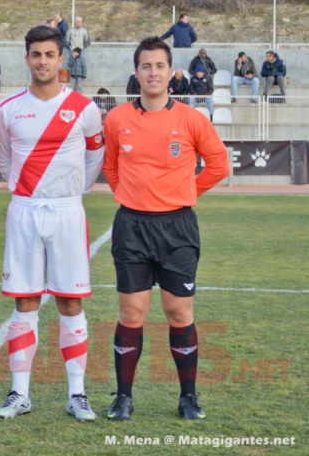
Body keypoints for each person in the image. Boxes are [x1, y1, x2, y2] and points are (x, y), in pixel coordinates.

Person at [103, 36, 229, 422]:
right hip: (133, 226)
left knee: (179, 312)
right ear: (136, 72)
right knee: (131, 313)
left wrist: (186, 192)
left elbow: (219, 165)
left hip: (178, 226)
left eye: (160, 66)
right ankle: (124, 397)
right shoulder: (117, 119)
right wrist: (130, 194)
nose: (153, 73)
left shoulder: (191, 118)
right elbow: (110, 168)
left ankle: (188, 398)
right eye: (146, 66)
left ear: (172, 72)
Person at [0, 25, 105, 422]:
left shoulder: (85, 108)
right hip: (24, 210)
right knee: (24, 302)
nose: (42, 61)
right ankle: (19, 394)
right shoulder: (6, 109)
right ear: (27, 59)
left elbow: (95, 160)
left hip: (67, 212)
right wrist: (27, 190)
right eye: (35, 54)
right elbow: (5, 160)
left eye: (49, 55)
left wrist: (73, 193)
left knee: (70, 302)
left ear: (62, 60)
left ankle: (77, 394)